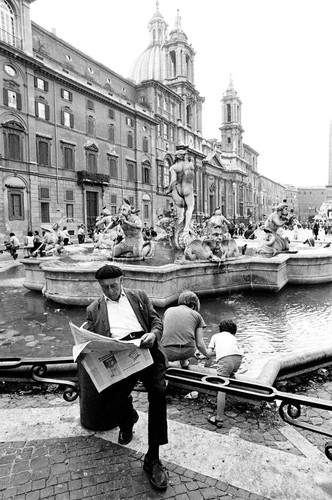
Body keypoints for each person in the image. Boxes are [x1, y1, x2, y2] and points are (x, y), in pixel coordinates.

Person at [84, 264, 169, 491]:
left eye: (113, 285)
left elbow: (156, 321)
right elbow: (90, 331)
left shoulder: (138, 296)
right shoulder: (94, 308)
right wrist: (84, 334)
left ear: (122, 280)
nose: (110, 291)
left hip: (145, 348)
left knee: (159, 393)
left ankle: (153, 457)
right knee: (111, 398)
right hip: (119, 354)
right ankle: (128, 417)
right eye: (105, 288)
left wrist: (154, 334)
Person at [206, 320, 243, 428]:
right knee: (229, 375)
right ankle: (231, 375)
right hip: (238, 360)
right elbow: (234, 350)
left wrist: (212, 353)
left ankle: (219, 418)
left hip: (225, 361)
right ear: (233, 332)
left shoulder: (216, 336)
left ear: (221, 329)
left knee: (221, 388)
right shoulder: (233, 337)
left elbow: (209, 353)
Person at [162, 290, 209, 368]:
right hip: (188, 352)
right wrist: (207, 355)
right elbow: (200, 344)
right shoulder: (197, 315)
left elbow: (163, 333)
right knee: (188, 341)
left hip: (168, 352)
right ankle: (183, 362)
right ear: (194, 305)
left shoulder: (168, 311)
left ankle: (173, 363)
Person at [166, 148, 195, 234]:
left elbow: (173, 180)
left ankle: (179, 225)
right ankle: (186, 228)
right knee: (189, 208)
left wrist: (169, 189)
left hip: (178, 189)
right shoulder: (190, 165)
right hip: (188, 188)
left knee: (180, 210)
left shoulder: (173, 167)